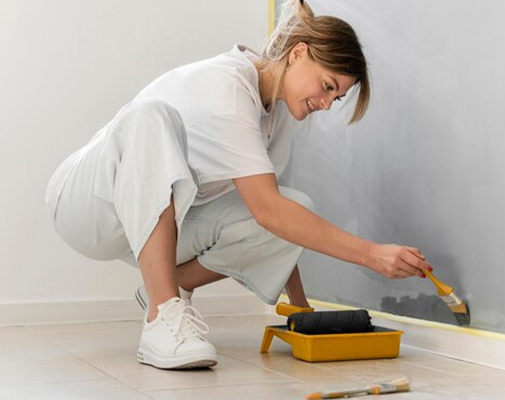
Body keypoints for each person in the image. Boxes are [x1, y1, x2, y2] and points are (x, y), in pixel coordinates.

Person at [44, 0, 431, 370]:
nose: (327, 104)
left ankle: (164, 286)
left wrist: (301, 311)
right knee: (151, 117)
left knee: (299, 205)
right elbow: (268, 211)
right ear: (298, 54)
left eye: (337, 97)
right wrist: (372, 254)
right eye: (328, 86)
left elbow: (277, 219)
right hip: (87, 204)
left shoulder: (277, 118)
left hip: (157, 224)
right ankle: (163, 316)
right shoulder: (227, 88)